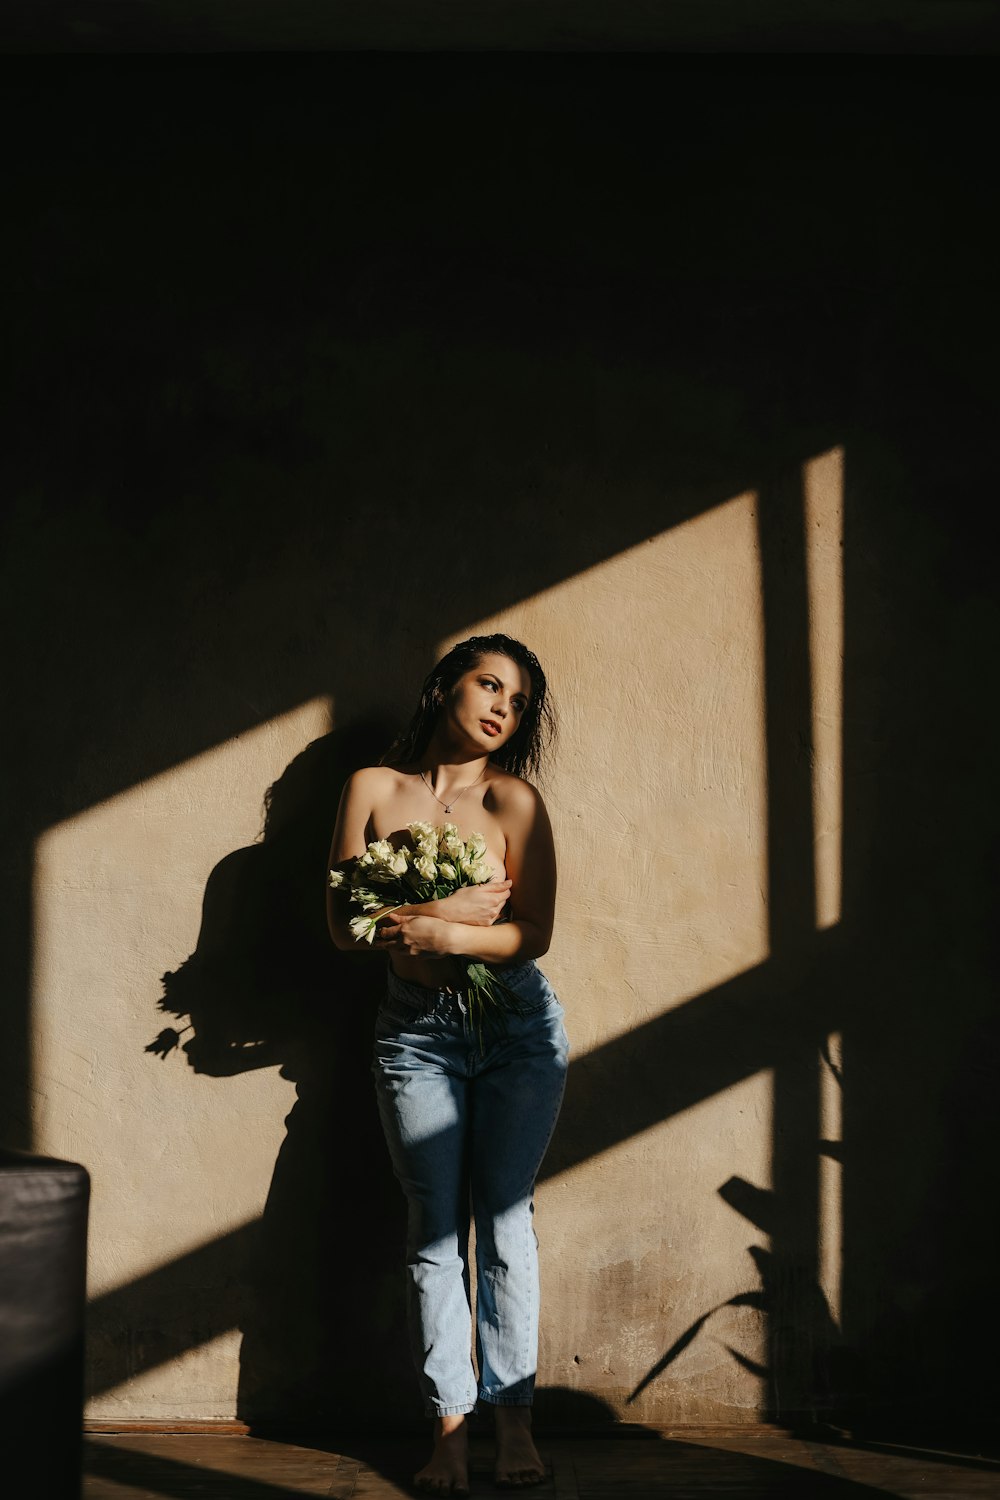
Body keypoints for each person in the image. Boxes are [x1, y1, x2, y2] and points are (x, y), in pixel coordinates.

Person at [326, 634, 569, 1495]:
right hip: (416, 1032)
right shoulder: (372, 790)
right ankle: (451, 1437)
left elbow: (531, 933)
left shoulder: (515, 800)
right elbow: (342, 924)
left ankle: (515, 1429)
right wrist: (444, 906)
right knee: (434, 1230)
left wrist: (443, 928)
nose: (503, 706)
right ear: (444, 687)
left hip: (514, 1032)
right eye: (489, 684)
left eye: (520, 701)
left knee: (504, 1224)